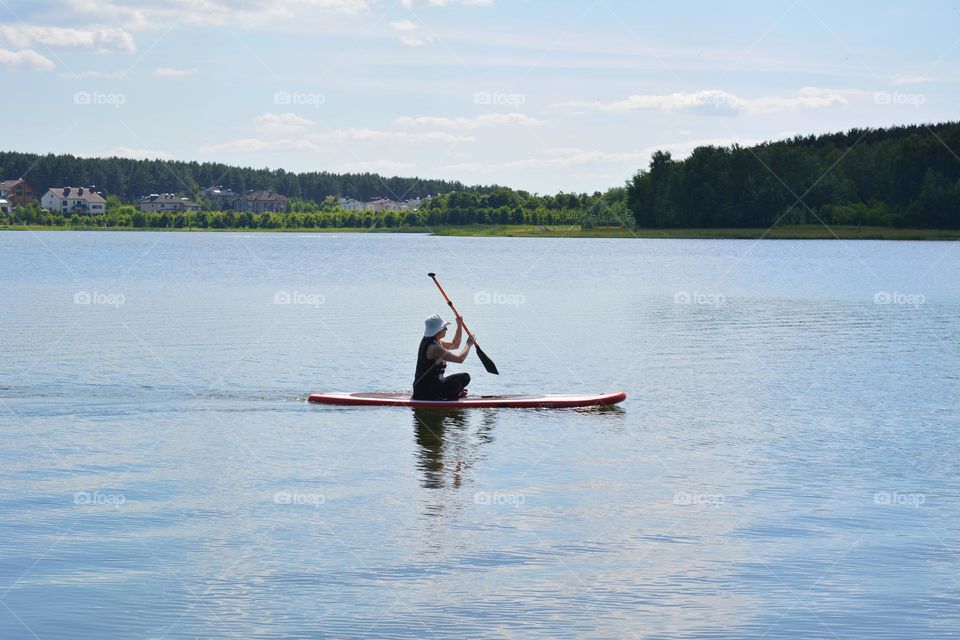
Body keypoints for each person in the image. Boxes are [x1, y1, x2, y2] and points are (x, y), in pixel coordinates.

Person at [413, 314, 475, 400]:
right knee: (455, 383)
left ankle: (451, 394)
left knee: (465, 377)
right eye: (444, 327)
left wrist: (459, 325)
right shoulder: (434, 348)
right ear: (437, 330)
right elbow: (460, 359)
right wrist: (468, 344)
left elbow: (455, 344)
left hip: (433, 386)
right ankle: (449, 396)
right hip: (424, 392)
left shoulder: (436, 341)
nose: (446, 329)